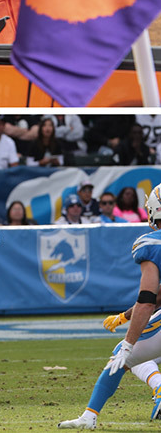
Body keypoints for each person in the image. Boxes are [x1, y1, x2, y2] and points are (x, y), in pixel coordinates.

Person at [58, 183, 161, 428]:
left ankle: (89, 416)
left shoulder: (152, 244)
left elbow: (148, 300)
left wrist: (128, 343)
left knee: (121, 357)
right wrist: (126, 315)